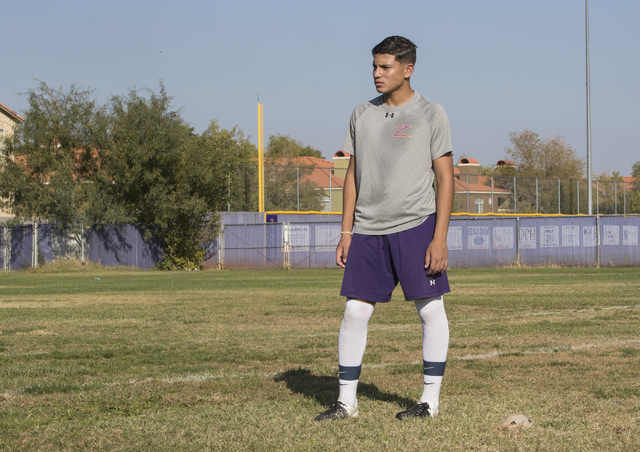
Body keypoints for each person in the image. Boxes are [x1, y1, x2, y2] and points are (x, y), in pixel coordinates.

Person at [315, 36, 454, 421]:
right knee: (355, 312)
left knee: (430, 311)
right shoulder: (361, 113)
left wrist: (439, 237)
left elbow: (446, 179)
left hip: (416, 226)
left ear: (407, 69)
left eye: (385, 67)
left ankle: (430, 402)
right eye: (374, 66)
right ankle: (347, 402)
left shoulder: (431, 113)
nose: (377, 74)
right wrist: (346, 232)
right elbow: (353, 177)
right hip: (368, 230)